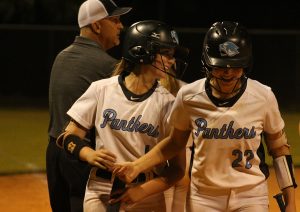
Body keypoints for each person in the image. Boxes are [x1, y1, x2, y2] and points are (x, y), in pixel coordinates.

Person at [113, 21, 298, 212]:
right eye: (220, 66)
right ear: (207, 63)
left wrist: (290, 201)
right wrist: (137, 166)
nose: (228, 73)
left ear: (246, 64)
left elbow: (280, 150)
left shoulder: (263, 96)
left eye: (235, 66)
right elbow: (174, 143)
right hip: (204, 196)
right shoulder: (189, 96)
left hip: (250, 194)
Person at [55, 20, 189, 211]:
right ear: (141, 52)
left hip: (146, 195)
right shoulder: (101, 89)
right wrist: (88, 154)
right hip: (100, 188)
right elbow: (68, 137)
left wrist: (141, 191)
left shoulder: (169, 103)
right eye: (166, 54)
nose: (172, 61)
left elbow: (177, 169)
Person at [47, 0, 131, 211]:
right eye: (115, 20)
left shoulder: (61, 56)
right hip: (84, 156)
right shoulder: (108, 66)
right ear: (96, 25)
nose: (120, 26)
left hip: (55, 153)